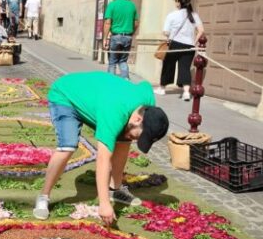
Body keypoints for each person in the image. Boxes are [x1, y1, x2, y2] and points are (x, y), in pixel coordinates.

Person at [32, 72, 169, 225]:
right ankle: (43, 196)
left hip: (98, 100)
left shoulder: (148, 106)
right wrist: (104, 204)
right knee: (67, 146)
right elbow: (103, 159)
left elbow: (144, 85)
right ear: (138, 119)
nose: (137, 140)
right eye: (140, 136)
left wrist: (132, 134)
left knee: (125, 138)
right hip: (65, 95)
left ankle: (115, 190)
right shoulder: (114, 113)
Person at [159, 0, 205, 101]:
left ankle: (162, 88)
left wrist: (169, 35)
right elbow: (201, 30)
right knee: (185, 68)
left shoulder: (172, 15)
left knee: (168, 66)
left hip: (175, 43)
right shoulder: (194, 15)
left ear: (179, 3)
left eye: (176, 0)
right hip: (189, 46)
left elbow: (166, 32)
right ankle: (186, 92)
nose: (175, 2)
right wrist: (194, 42)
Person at [102, 0, 139, 81]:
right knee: (123, 61)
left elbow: (107, 23)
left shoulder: (112, 5)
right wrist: (131, 33)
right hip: (128, 37)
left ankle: (111, 83)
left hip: (116, 36)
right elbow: (136, 23)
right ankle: (126, 81)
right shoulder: (131, 5)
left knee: (112, 62)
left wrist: (105, 39)